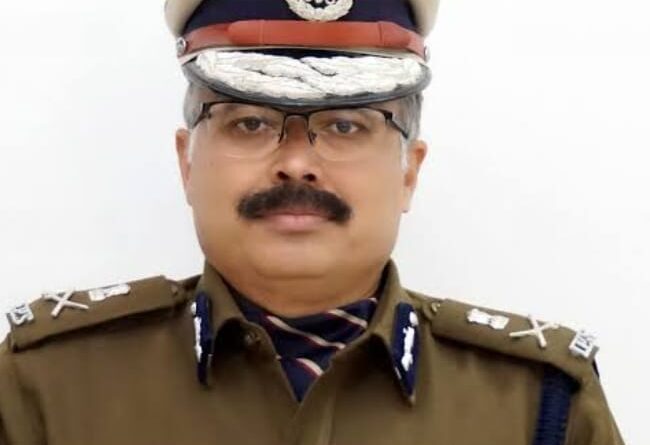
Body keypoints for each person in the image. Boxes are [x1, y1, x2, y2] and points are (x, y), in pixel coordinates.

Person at [0, 0, 624, 444]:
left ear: (409, 171)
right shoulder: (47, 385)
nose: (296, 163)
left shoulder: (539, 406)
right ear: (187, 162)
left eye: (346, 125)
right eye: (249, 122)